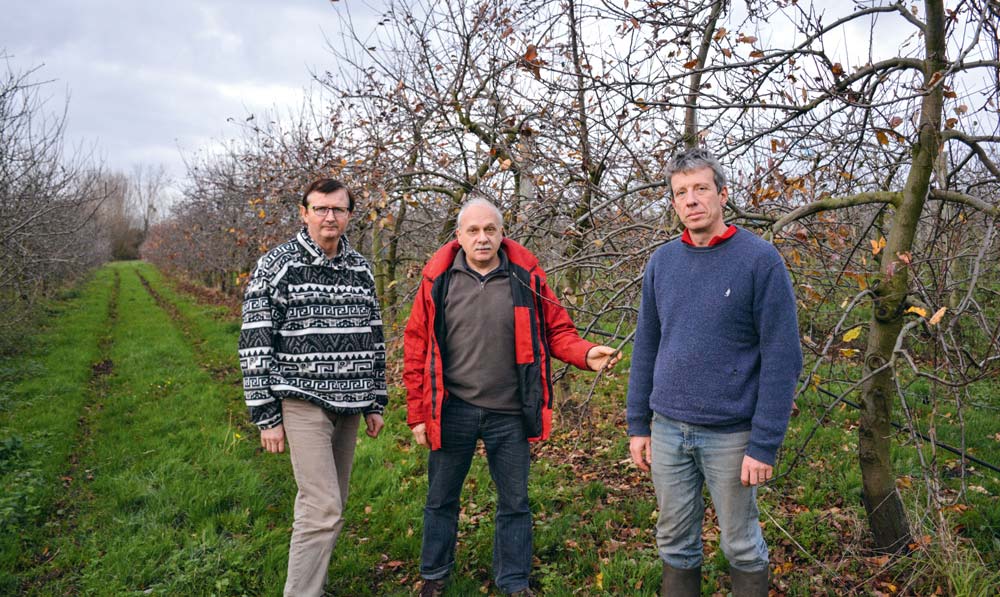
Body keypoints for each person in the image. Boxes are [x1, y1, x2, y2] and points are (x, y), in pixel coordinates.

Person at [404, 197, 620, 596]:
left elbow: (558, 331)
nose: (482, 238)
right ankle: (434, 576)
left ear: (503, 234)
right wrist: (418, 413)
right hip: (453, 409)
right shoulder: (439, 280)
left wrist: (586, 354)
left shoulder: (525, 277)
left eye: (490, 230)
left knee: (515, 503)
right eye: (473, 230)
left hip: (509, 412)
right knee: (440, 500)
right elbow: (417, 343)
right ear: (459, 237)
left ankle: (514, 582)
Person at [625, 147, 803, 597]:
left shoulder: (759, 260)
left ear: (722, 195)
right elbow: (646, 345)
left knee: (742, 546)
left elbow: (783, 358)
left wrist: (764, 444)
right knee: (674, 543)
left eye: (700, 188)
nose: (691, 200)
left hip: (731, 435)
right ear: (672, 202)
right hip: (667, 430)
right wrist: (637, 424)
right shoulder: (661, 263)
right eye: (680, 192)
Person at [238, 178, 387, 597]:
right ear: (304, 213)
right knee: (323, 508)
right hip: (303, 400)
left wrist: (375, 400)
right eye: (320, 209)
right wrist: (266, 415)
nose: (329, 217)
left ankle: (312, 586)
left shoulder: (360, 269)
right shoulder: (277, 265)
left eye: (338, 209)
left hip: (352, 404)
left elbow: (373, 336)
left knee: (326, 506)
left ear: (349, 216)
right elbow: (254, 341)